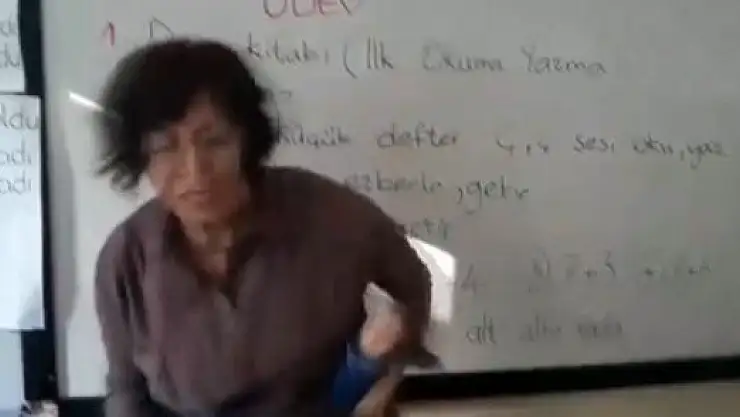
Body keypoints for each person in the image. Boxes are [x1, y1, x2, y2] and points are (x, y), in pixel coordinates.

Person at [93, 38, 433, 417]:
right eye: (165, 147)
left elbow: (414, 291)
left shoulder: (335, 218)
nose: (195, 170)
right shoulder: (126, 257)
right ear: (139, 156)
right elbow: (126, 392)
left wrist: (382, 373)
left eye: (215, 141)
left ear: (247, 139)